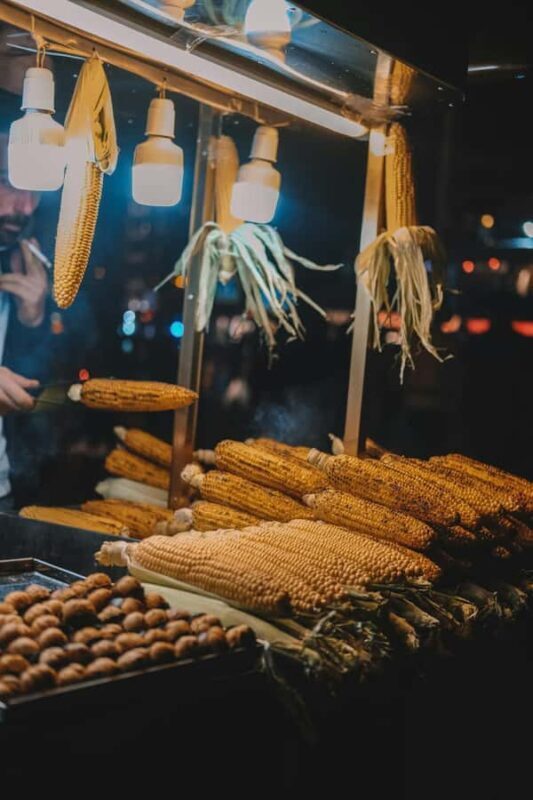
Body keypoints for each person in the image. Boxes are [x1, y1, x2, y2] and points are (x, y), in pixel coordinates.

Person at [0, 127, 49, 510]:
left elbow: (28, 382)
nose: (26, 206)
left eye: (35, 190)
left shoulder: (15, 258)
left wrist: (31, 320)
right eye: (10, 183)